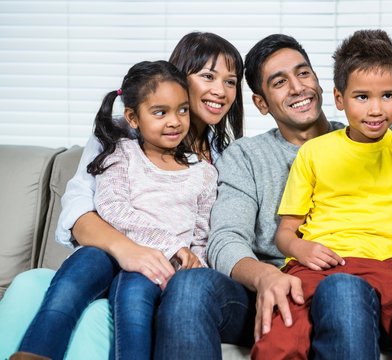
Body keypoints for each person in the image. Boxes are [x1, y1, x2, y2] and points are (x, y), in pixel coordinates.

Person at [153, 20, 392, 359]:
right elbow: (227, 237)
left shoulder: (375, 131)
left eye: (303, 73)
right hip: (277, 288)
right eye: (279, 82)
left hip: (368, 288)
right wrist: (266, 277)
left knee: (349, 292)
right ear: (261, 103)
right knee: (189, 286)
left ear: (324, 87)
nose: (297, 87)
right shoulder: (245, 156)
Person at [0, 32, 244, 359]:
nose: (220, 90)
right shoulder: (119, 141)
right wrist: (133, 250)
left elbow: (209, 233)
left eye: (231, 81)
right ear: (180, 78)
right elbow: (83, 208)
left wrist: (190, 261)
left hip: (170, 276)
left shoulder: (224, 159)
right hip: (109, 258)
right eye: (207, 76)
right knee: (33, 285)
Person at [251, 29, 392, 359]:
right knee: (278, 342)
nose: (376, 109)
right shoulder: (314, 153)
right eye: (362, 97)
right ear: (339, 98)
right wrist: (301, 248)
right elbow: (285, 233)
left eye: (387, 95)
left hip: (384, 270)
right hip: (312, 269)